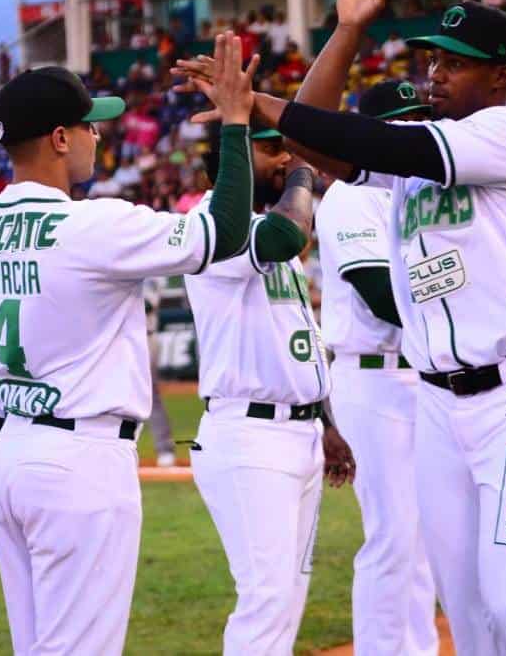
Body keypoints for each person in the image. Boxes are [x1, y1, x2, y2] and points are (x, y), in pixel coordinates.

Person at [179, 0, 506, 654]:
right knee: (463, 604)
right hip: (438, 407)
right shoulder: (422, 154)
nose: (435, 75)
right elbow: (317, 139)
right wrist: (345, 32)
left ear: (502, 75)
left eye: (454, 63)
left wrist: (255, 104)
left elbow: (375, 143)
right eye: (433, 60)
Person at [0, 47, 256, 656]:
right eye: (91, 125)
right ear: (60, 138)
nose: (98, 135)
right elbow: (220, 231)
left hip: (12, 451)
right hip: (81, 457)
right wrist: (236, 123)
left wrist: (25, 431)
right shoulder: (92, 224)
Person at [183, 125, 356, 656]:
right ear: (230, 158)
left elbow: (297, 336)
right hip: (248, 435)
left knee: (287, 600)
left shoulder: (262, 224)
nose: (285, 158)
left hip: (297, 430)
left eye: (288, 147)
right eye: (271, 148)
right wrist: (304, 170)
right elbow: (287, 236)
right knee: (266, 598)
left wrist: (325, 423)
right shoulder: (212, 225)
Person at [314, 80, 438, 656]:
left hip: (422, 372)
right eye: (402, 122)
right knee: (393, 536)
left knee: (426, 535)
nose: (415, 129)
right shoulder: (349, 195)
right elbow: (381, 294)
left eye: (419, 118)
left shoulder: (413, 192)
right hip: (375, 377)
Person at [143, 277, 177, 467]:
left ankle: (165, 449)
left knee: (150, 396)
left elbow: (147, 304)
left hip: (145, 338)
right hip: (116, 340)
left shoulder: (150, 269)